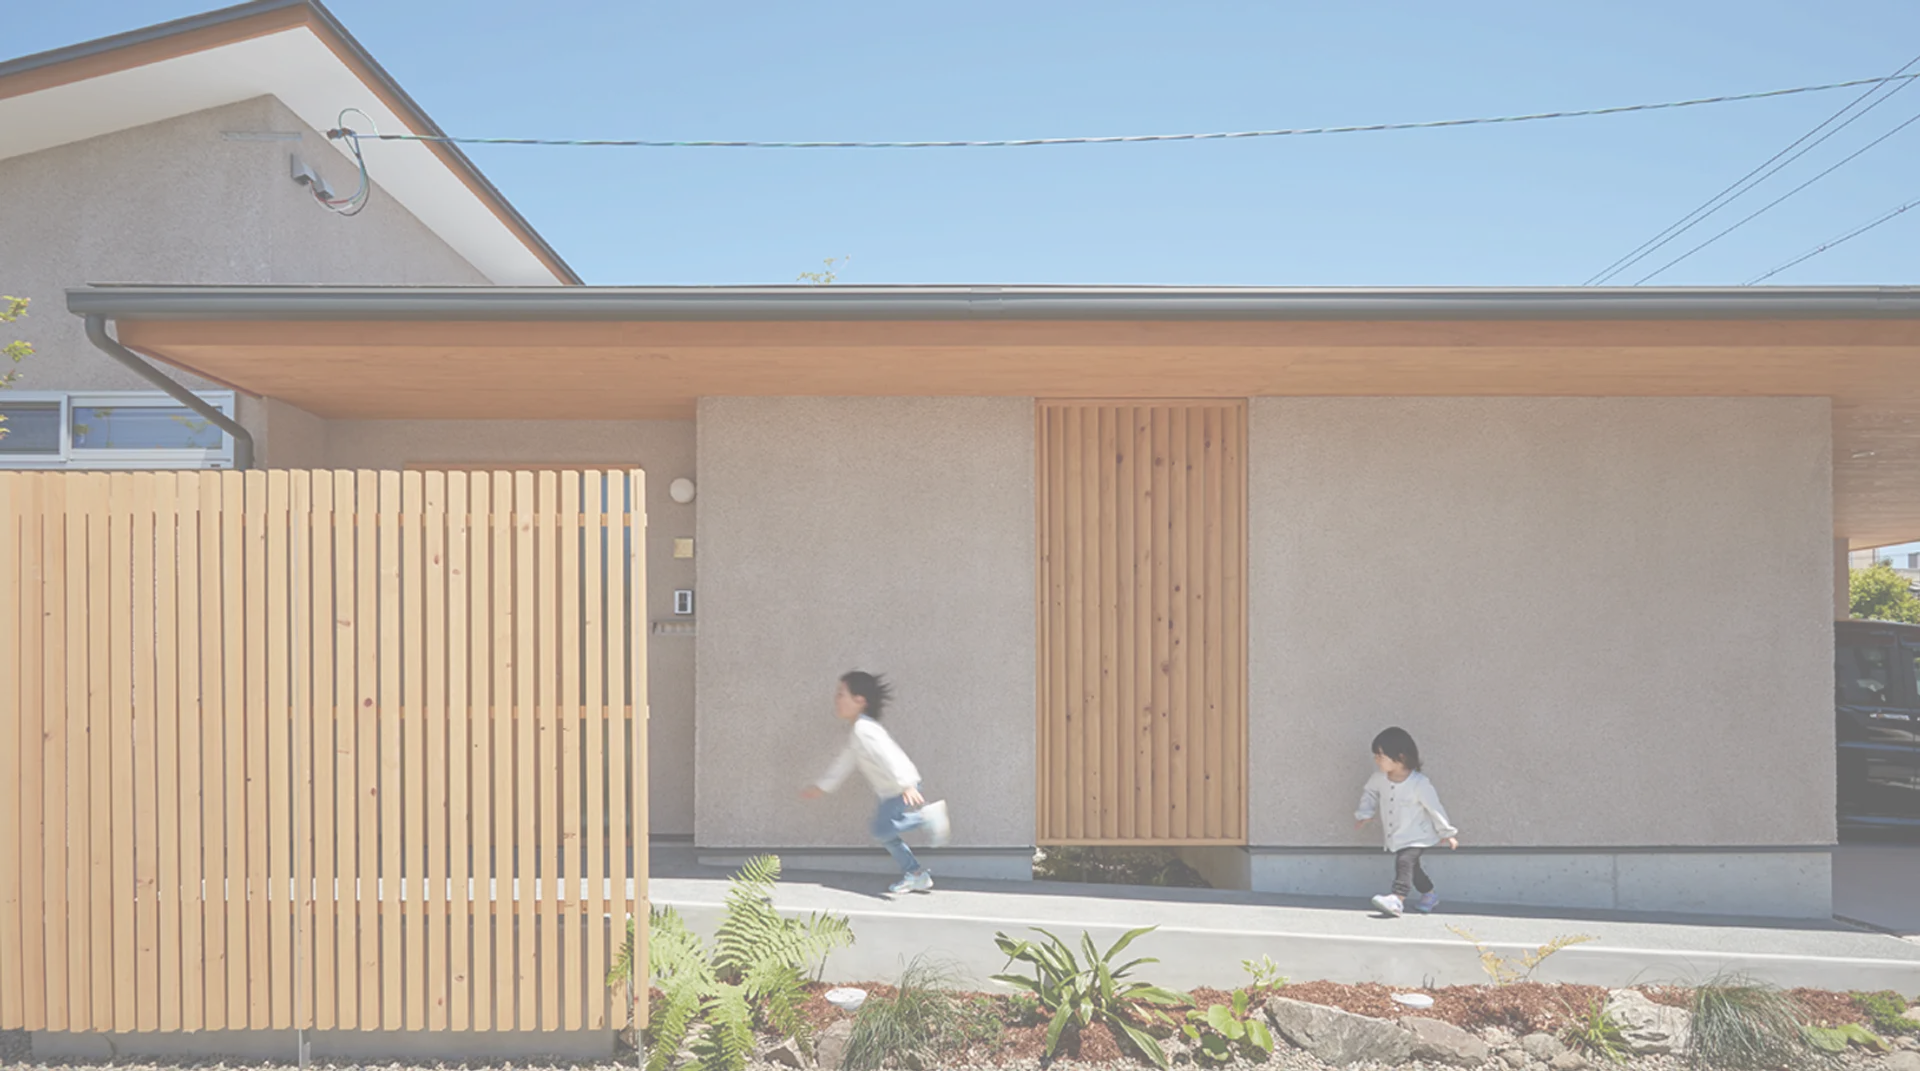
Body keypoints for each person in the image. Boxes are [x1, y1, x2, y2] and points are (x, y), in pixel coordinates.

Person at [799, 670, 952, 894]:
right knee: (886, 834)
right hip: (892, 790)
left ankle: (926, 817)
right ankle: (916, 874)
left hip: (900, 787)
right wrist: (823, 786)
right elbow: (845, 762)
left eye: (841, 694)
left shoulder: (864, 730)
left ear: (859, 700)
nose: (836, 699)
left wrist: (906, 784)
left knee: (881, 830)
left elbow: (888, 756)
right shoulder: (860, 729)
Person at [1354, 726, 1458, 917]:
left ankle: (1397, 899)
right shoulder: (1378, 778)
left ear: (1400, 757)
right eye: (1375, 755)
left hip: (1418, 835)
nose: (1376, 760)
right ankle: (1429, 894)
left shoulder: (1419, 783)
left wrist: (1447, 833)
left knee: (1404, 861)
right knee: (1413, 868)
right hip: (1397, 834)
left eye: (1380, 755)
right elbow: (1369, 793)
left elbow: (1434, 807)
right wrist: (1365, 813)